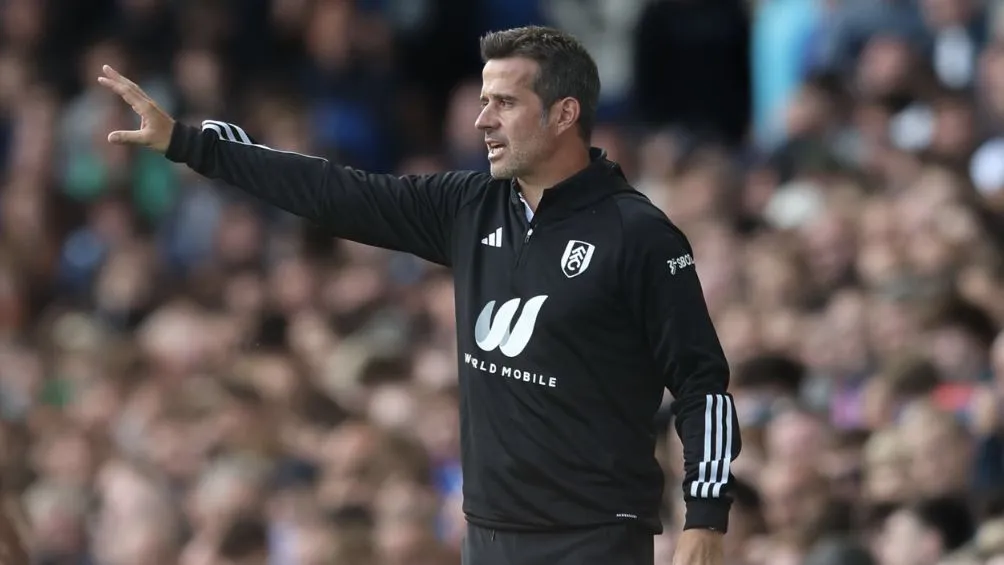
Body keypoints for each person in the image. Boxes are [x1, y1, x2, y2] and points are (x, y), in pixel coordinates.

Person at [98, 25, 741, 565]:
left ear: (565, 112)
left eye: (504, 103)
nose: (481, 119)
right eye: (482, 100)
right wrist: (189, 144)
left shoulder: (639, 236)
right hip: (487, 535)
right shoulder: (469, 205)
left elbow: (702, 382)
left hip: (595, 540)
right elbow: (333, 191)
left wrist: (706, 517)